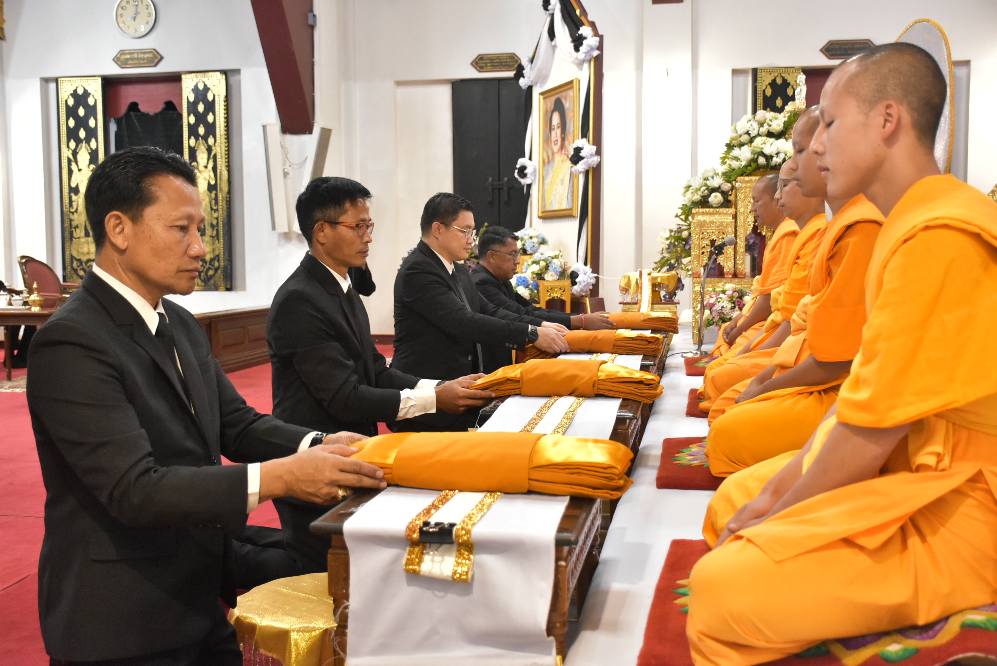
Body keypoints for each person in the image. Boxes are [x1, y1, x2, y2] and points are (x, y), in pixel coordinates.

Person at [687, 43, 997, 663]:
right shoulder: (912, 220)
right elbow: (863, 403)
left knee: (720, 593)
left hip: (967, 507)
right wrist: (770, 503)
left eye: (829, 123)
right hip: (908, 463)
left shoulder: (939, 234)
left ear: (887, 120)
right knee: (732, 505)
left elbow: (866, 432)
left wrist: (777, 515)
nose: (818, 145)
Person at [27, 147, 387, 664]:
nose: (200, 248)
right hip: (122, 614)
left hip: (197, 587)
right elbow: (134, 489)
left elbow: (235, 424)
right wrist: (281, 477)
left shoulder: (177, 322)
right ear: (119, 228)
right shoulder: (73, 340)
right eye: (182, 229)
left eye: (201, 229)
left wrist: (319, 442)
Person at [267, 177, 494, 571]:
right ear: (322, 232)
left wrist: (438, 388)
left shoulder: (342, 287)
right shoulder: (300, 300)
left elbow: (374, 369)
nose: (368, 237)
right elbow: (345, 396)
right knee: (319, 573)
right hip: (317, 462)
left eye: (369, 225)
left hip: (356, 449)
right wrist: (435, 398)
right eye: (358, 226)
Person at [703, 112, 884, 472]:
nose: (796, 165)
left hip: (843, 388)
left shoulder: (860, 227)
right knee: (726, 402)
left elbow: (837, 358)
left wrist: (767, 383)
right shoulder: (840, 224)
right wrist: (766, 375)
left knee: (725, 425)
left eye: (801, 151)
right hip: (806, 360)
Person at [392, 192, 569, 431]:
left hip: (458, 387)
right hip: (427, 392)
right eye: (464, 231)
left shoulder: (457, 268)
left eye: (472, 232)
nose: (471, 240)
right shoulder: (418, 270)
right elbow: (464, 322)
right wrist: (530, 333)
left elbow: (489, 310)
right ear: (438, 229)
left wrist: (539, 326)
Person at [698, 139, 828, 413]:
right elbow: (784, 307)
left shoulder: (812, 233)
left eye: (784, 187)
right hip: (789, 339)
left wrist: (754, 357)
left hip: (805, 349)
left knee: (720, 383)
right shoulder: (805, 233)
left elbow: (788, 315)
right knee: (720, 376)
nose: (778, 198)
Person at [470, 225, 613, 372]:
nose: (517, 261)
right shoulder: (481, 282)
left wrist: (579, 319)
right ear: (492, 256)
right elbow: (518, 314)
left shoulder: (500, 279)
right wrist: (578, 321)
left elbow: (530, 309)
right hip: (487, 367)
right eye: (512, 254)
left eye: (517, 254)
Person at [709, 174, 798, 358]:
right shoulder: (781, 232)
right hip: (769, 320)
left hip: (779, 324)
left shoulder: (788, 235)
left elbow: (769, 301)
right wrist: (739, 319)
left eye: (757, 201)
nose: (751, 208)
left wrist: (740, 328)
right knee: (726, 334)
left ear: (777, 199)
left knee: (723, 366)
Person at [543, 98, 573, 211]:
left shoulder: (570, 167)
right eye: (553, 128)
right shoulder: (546, 170)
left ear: (563, 132)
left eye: (558, 127)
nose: (555, 134)